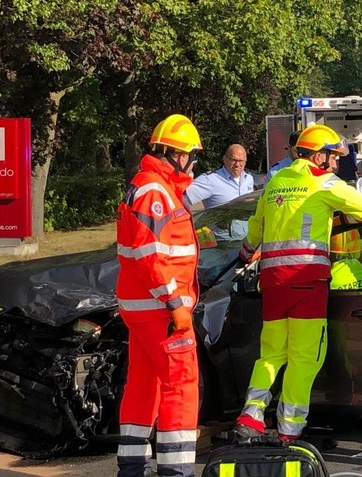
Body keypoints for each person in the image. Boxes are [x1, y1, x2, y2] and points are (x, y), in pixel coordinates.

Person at [232, 124, 362, 441]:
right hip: (306, 282)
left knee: (270, 354)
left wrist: (245, 253)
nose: (337, 163)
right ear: (319, 156)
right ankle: (289, 430)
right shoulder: (324, 182)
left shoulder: (275, 182)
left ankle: (251, 416)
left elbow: (255, 230)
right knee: (304, 358)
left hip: (272, 282)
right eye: (333, 156)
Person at [115, 114, 202, 477]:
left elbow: (151, 248)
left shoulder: (146, 186)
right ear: (177, 156)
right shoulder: (155, 191)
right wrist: (174, 304)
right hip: (162, 311)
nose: (195, 164)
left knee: (142, 385)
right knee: (181, 386)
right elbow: (151, 256)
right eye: (192, 156)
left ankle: (132, 467)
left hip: (141, 309)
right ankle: (175, 471)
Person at [183, 143, 253, 208]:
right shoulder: (209, 180)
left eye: (241, 161)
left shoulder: (248, 179)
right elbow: (182, 200)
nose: (237, 164)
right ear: (224, 159)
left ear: (245, 161)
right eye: (233, 160)